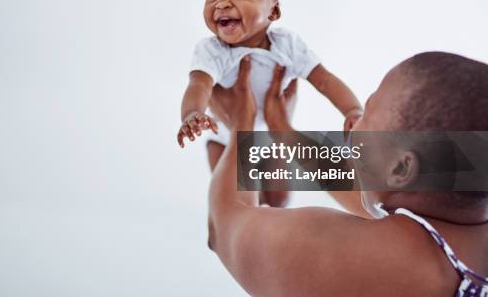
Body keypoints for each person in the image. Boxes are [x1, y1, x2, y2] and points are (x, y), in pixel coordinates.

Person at [206, 52, 488, 296]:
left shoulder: (387, 264)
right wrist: (284, 133)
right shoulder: (465, 226)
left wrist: (241, 125)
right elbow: (368, 189)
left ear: (401, 168)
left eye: (368, 113)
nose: (352, 128)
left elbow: (225, 224)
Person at [176, 0, 363, 156]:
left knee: (278, 186)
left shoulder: (286, 45)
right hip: (223, 136)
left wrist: (352, 110)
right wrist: (192, 113)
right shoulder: (212, 50)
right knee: (228, 180)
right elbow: (199, 85)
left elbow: (325, 81)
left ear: (273, 10)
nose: (221, 3)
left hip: (274, 137)